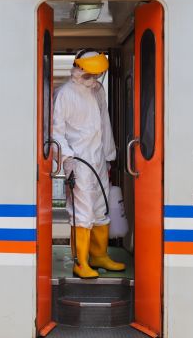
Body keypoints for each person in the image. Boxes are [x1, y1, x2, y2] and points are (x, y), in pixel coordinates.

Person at [52, 49, 125, 279]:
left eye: (97, 73)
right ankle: (81, 262)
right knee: (82, 212)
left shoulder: (98, 91)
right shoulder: (65, 94)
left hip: (99, 159)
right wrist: (67, 158)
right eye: (90, 73)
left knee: (100, 208)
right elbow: (56, 131)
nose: (94, 78)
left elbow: (105, 123)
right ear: (79, 68)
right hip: (78, 161)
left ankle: (99, 255)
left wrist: (109, 155)